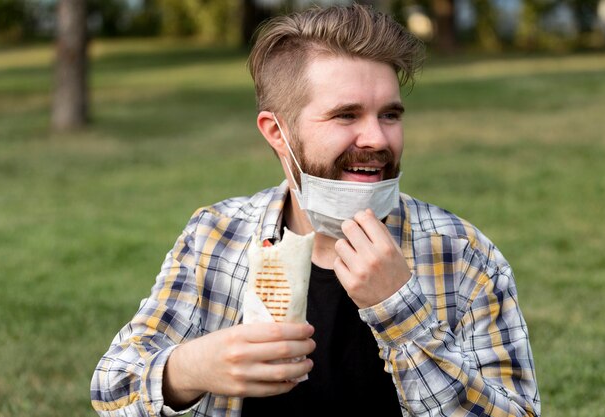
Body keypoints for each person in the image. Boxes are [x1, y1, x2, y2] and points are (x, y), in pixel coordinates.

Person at [91, 4, 540, 417]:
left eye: (390, 115)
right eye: (346, 116)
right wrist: (189, 369)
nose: (378, 139)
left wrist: (400, 309)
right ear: (275, 131)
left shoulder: (462, 256)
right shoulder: (217, 237)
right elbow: (113, 388)